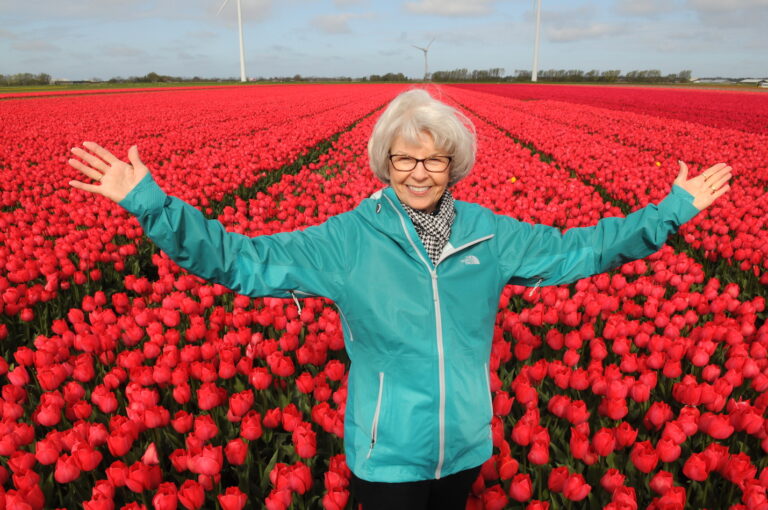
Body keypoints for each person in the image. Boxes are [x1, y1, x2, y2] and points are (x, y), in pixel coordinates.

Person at [68, 89, 732, 510]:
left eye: (434, 161)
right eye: (404, 160)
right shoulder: (347, 240)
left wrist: (668, 213)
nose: (419, 173)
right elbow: (246, 261)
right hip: (387, 458)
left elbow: (580, 250)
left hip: (465, 449)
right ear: (384, 164)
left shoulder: (489, 236)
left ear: (455, 167)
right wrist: (149, 204)